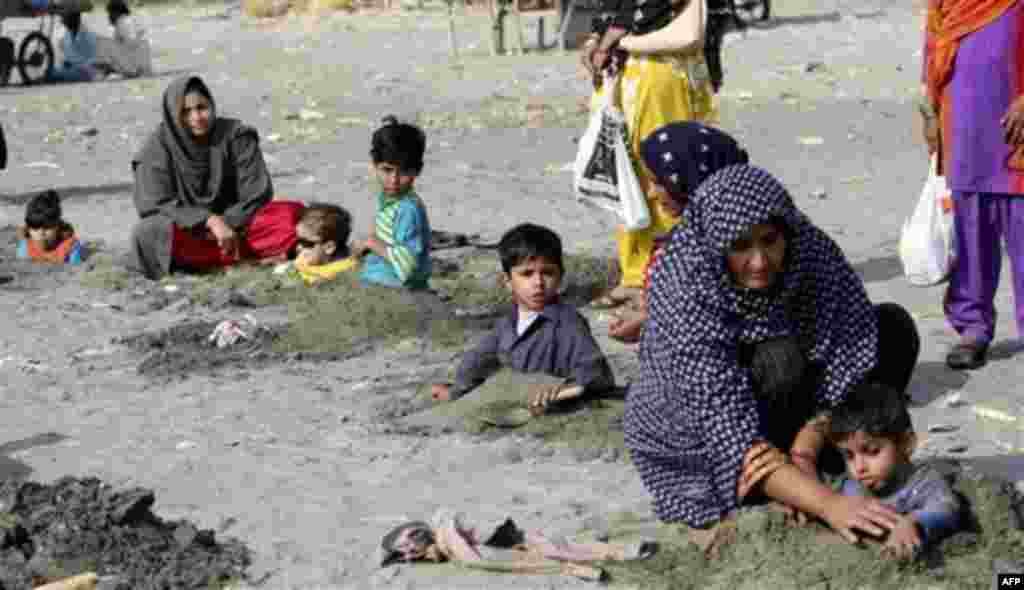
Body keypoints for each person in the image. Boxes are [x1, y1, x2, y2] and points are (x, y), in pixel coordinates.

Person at [624, 164, 922, 552]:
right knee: (779, 358)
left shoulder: (810, 252)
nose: (760, 262)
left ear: (787, 233)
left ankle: (818, 461)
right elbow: (724, 424)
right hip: (703, 427)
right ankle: (781, 483)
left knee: (890, 328)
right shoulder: (686, 282)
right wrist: (829, 505)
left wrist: (806, 446)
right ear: (717, 245)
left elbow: (849, 348)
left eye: (769, 241)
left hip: (797, 414)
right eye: (740, 247)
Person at [581, 0, 733, 309]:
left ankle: (671, 275)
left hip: (663, 77)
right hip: (626, 78)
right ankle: (635, 275)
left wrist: (621, 41)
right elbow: (611, 15)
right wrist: (595, 43)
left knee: (669, 174)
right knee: (629, 173)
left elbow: (688, 35)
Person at [922, 0, 1024, 369]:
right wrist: (929, 109)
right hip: (963, 120)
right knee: (970, 230)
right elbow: (933, 43)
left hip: (1016, 130)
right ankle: (973, 327)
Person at [129, 76, 305, 280]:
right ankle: (240, 262)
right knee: (149, 232)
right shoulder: (156, 148)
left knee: (292, 216)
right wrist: (207, 221)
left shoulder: (236, 135)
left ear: (212, 104)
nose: (196, 117)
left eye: (201, 107)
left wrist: (227, 223)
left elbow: (257, 192)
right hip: (189, 231)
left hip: (238, 229)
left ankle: (221, 264)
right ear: (173, 116)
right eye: (185, 112)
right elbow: (154, 203)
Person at [431, 223, 615, 414]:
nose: (538, 283)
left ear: (560, 277)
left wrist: (565, 390)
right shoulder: (508, 322)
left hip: (550, 409)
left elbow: (596, 371)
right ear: (507, 281)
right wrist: (457, 391)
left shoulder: (567, 322)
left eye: (548, 273)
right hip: (512, 405)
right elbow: (477, 360)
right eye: (527, 274)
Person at [608, 121, 749, 343]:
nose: (652, 194)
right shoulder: (688, 238)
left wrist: (649, 324)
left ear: (690, 178)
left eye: (658, 183)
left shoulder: (738, 243)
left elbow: (731, 322)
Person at [825, 383, 962, 560]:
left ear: (907, 443)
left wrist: (913, 521)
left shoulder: (923, 484)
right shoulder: (853, 486)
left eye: (872, 451)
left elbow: (947, 507)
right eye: (849, 456)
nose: (859, 468)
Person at [351, 116, 432, 290]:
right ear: (374, 165)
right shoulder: (392, 200)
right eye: (387, 170)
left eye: (404, 172)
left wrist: (371, 243)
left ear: (418, 170)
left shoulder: (408, 209)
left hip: (396, 289)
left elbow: (409, 264)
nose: (394, 180)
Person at [293, 203, 359, 285]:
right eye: (298, 240)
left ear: (329, 247)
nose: (298, 247)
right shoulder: (306, 259)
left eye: (307, 243)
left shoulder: (343, 268)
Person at [16, 189, 84, 264]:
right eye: (35, 228)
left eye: (47, 228)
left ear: (57, 226)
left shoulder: (70, 247)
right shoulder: (26, 245)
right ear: (28, 229)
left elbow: (75, 266)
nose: (41, 233)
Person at [95, 0, 153, 78]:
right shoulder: (127, 21)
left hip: (136, 67)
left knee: (101, 43)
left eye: (110, 13)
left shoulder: (122, 23)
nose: (108, 17)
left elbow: (131, 45)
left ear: (116, 12)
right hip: (140, 65)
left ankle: (102, 73)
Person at [47, 11, 98, 83]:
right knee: (51, 71)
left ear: (75, 18)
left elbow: (92, 59)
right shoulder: (67, 34)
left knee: (53, 74)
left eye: (65, 17)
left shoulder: (88, 34)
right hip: (73, 69)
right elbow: (68, 58)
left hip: (85, 71)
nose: (62, 20)